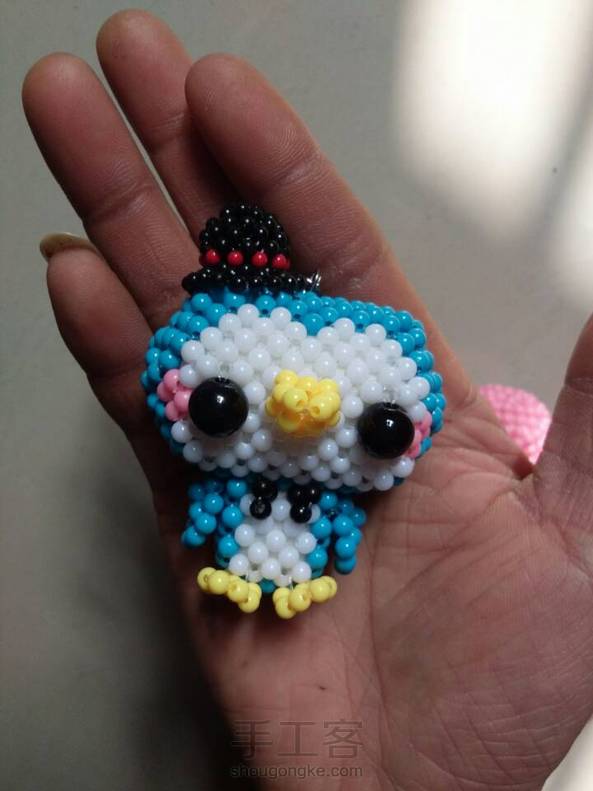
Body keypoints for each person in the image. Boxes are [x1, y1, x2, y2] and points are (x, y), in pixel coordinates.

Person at [22, 10, 593, 790]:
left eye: (379, 427)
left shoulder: (340, 423)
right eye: (222, 405)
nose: (304, 413)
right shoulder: (225, 380)